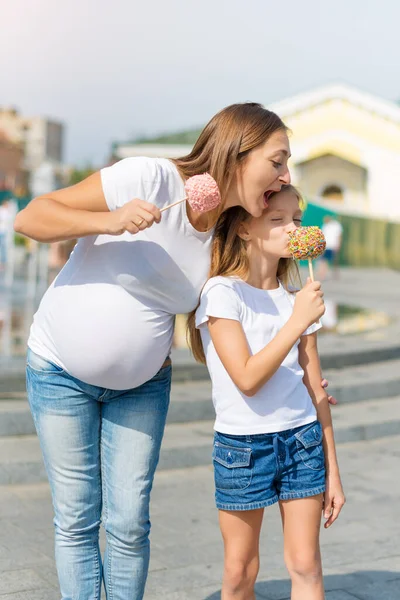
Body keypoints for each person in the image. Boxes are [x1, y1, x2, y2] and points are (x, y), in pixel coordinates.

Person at [14, 103, 333, 600]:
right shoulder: (151, 179)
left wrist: (303, 369)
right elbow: (31, 217)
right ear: (238, 153)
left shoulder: (228, 230)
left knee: (129, 525)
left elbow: (243, 305)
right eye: (277, 161)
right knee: (77, 517)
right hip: (59, 369)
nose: (284, 175)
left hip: (141, 385)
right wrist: (112, 217)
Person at [189, 185, 345, 600]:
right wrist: (296, 322)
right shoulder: (222, 292)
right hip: (243, 450)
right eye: (277, 220)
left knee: (307, 565)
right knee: (241, 572)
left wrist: (333, 468)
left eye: (296, 219)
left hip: (303, 441)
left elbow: (315, 389)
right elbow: (246, 377)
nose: (292, 228)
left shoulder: (297, 298)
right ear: (243, 228)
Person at [317, 215, 343, 280]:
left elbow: (339, 235)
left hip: (333, 246)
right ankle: (322, 274)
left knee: (334, 261)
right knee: (323, 260)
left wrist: (338, 245)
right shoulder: (325, 226)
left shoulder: (336, 225)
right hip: (325, 246)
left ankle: (335, 273)